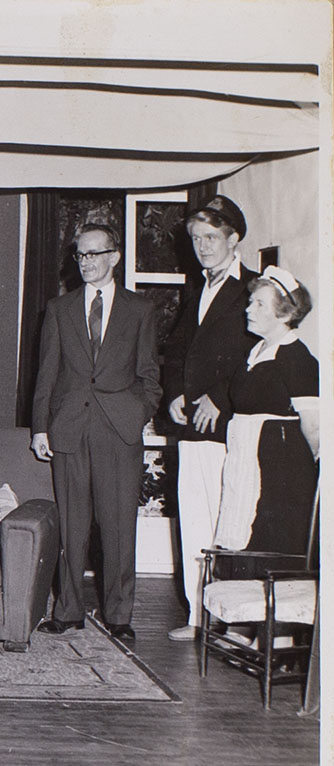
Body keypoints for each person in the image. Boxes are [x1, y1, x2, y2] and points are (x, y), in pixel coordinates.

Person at [31, 223, 161, 642]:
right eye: (80, 255)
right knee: (71, 525)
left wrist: (136, 414)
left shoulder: (140, 310)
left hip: (118, 431)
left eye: (93, 254)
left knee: (119, 526)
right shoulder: (59, 309)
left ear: (114, 257)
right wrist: (39, 428)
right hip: (69, 428)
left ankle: (120, 615)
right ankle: (67, 611)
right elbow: (46, 374)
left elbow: (150, 377)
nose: (85, 262)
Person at [162, 195, 258, 642]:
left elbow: (253, 356)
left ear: (234, 238)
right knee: (194, 520)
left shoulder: (253, 289)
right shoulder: (196, 289)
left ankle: (233, 620)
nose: (203, 246)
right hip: (189, 426)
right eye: (196, 238)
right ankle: (198, 618)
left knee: (230, 521)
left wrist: (219, 399)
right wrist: (175, 395)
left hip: (225, 425)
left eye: (211, 237)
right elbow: (178, 351)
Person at [212, 266, 318, 561]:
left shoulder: (296, 358)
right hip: (245, 461)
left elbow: (314, 429)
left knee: (272, 546)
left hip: (279, 473)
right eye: (250, 302)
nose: (249, 309)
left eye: (259, 304)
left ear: (284, 314)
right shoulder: (255, 351)